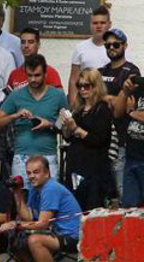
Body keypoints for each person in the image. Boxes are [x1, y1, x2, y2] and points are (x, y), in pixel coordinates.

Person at [0, 155, 82, 262]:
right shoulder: (34, 189)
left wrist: (15, 224)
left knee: (35, 240)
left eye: (36, 172)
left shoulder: (51, 188)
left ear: (47, 173)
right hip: (54, 233)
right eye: (29, 173)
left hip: (72, 236)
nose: (31, 176)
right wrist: (18, 194)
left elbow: (43, 223)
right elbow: (28, 217)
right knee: (16, 238)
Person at [0, 55, 68, 185]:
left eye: (37, 75)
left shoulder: (58, 95)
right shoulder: (16, 95)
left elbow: (67, 128)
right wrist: (15, 115)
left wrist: (49, 125)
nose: (33, 79)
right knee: (21, 198)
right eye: (29, 75)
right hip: (21, 157)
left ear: (45, 73)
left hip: (47, 156)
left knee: (49, 199)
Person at [60, 69, 113, 211]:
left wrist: (77, 129)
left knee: (92, 207)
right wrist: (66, 126)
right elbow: (68, 137)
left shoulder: (102, 109)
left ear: (96, 86)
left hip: (94, 168)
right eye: (79, 86)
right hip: (75, 164)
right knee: (74, 206)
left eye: (87, 85)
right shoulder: (78, 108)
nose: (82, 89)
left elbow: (100, 140)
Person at [101, 28, 139, 199]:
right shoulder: (100, 71)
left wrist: (105, 98)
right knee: (104, 194)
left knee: (122, 193)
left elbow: (123, 109)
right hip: (100, 139)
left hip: (121, 141)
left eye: (116, 44)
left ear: (125, 45)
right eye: (107, 44)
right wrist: (113, 98)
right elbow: (90, 99)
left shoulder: (132, 71)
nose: (111, 47)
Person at [68, 5, 111, 105]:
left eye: (102, 23)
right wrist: (73, 105)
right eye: (95, 23)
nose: (99, 26)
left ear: (109, 24)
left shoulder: (116, 48)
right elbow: (74, 79)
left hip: (108, 102)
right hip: (85, 102)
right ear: (90, 25)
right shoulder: (80, 48)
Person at [118, 77, 144, 207]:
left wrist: (132, 112)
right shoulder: (139, 87)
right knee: (129, 207)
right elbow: (117, 113)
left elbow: (130, 112)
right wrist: (125, 92)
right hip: (131, 155)